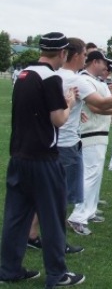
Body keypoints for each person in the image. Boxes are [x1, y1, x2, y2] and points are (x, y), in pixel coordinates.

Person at [0, 32, 85, 288]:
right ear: (62, 54)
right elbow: (58, 119)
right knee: (52, 217)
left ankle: (9, 269)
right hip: (43, 159)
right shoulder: (51, 78)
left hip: (19, 156)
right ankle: (57, 274)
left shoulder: (23, 74)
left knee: (16, 217)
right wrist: (69, 103)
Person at [67, 51, 112, 235]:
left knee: (95, 174)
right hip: (89, 131)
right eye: (104, 63)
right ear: (95, 61)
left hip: (100, 131)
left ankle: (88, 211)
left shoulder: (96, 82)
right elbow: (96, 106)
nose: (106, 67)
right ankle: (77, 216)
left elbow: (106, 104)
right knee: (89, 174)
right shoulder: (84, 80)